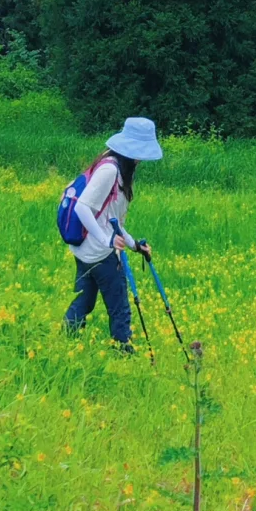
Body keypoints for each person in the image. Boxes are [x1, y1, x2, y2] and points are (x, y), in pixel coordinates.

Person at [63, 116, 161, 352]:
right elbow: (82, 207)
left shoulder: (113, 163)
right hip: (99, 251)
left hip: (85, 249)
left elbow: (111, 221)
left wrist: (135, 245)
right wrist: (107, 240)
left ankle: (66, 341)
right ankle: (123, 351)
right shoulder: (110, 170)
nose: (141, 160)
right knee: (120, 306)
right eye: (141, 153)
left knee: (85, 299)